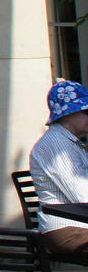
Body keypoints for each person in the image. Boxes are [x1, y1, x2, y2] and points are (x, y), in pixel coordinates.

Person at [30, 80, 88, 257]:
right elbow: (83, 197)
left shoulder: (72, 142)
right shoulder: (58, 145)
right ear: (66, 116)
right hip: (69, 229)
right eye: (86, 112)